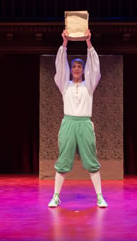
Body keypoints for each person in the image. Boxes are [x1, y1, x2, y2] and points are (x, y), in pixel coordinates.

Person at [48, 30, 108, 208]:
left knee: (91, 161)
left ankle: (99, 197)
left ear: (83, 71)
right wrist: (64, 44)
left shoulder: (88, 86)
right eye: (73, 66)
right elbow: (60, 67)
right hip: (68, 123)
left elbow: (95, 69)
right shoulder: (64, 85)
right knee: (63, 160)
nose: (76, 69)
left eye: (79, 67)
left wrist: (89, 44)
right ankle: (56, 196)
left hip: (84, 124)